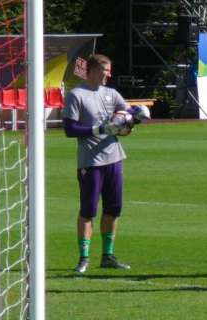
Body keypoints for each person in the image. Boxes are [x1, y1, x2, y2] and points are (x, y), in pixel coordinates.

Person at [62, 54, 150, 273]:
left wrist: (138, 115)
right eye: (106, 70)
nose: (109, 74)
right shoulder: (76, 95)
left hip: (114, 158)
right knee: (88, 210)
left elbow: (128, 112)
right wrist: (98, 129)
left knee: (114, 208)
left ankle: (107, 256)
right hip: (90, 161)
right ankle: (83, 259)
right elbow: (69, 129)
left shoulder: (111, 93)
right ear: (92, 71)